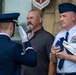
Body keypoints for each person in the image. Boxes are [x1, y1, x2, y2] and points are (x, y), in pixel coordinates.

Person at [21, 9, 55, 75]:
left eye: (32, 18)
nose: (28, 20)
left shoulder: (48, 38)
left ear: (40, 20)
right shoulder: (24, 36)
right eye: (27, 18)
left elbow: (53, 62)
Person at [48, 2, 76, 75]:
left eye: (64, 16)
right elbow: (53, 61)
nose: (61, 19)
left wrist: (67, 56)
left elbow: (66, 56)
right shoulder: (59, 35)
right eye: (60, 16)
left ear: (73, 17)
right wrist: (53, 54)